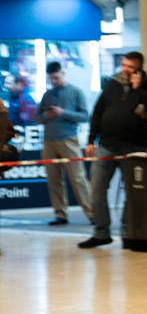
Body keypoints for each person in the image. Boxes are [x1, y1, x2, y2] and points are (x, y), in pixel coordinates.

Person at [80, 52, 147, 250]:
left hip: (133, 147)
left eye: (130, 67)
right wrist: (91, 140)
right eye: (124, 65)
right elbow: (97, 112)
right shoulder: (112, 85)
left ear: (139, 69)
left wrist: (138, 89)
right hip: (106, 146)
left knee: (132, 192)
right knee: (96, 189)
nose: (125, 70)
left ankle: (128, 233)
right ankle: (101, 233)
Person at [37, 62, 92, 228]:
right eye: (51, 79)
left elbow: (85, 116)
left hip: (68, 139)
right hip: (49, 141)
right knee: (54, 179)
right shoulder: (47, 95)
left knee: (78, 178)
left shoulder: (76, 92)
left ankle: (92, 213)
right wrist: (47, 115)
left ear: (63, 73)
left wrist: (63, 113)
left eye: (56, 77)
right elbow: (37, 118)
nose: (53, 81)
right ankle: (60, 214)